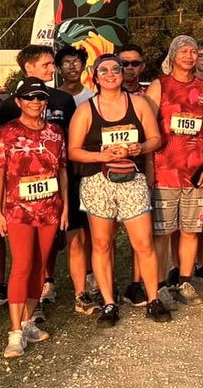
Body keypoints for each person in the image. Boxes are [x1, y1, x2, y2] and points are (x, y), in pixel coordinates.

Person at [67, 53, 166, 325]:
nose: (110, 74)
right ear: (95, 77)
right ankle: (109, 302)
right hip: (98, 181)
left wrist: (141, 148)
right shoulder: (86, 110)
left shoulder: (139, 103)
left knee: (143, 242)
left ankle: (153, 298)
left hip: (131, 178)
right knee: (101, 243)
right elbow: (73, 151)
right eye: (104, 70)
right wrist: (103, 156)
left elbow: (156, 138)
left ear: (123, 74)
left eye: (116, 69)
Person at [0, 80, 69, 359]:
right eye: (29, 97)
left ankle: (27, 321)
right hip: (18, 210)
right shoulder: (7, 132)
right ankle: (14, 331)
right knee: (22, 265)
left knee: (41, 265)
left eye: (41, 97)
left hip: (49, 208)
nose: (36, 102)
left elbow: (61, 171)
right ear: (19, 101)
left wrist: (66, 207)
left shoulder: (56, 132)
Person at [0, 44, 81, 304]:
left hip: (55, 185)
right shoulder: (10, 105)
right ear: (28, 67)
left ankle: (49, 281)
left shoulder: (63, 99)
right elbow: (2, 160)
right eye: (46, 64)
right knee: (24, 258)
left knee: (54, 240)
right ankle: (21, 301)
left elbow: (68, 141)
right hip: (19, 198)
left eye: (51, 64)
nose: (52, 69)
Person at [145, 35, 203, 304]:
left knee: (190, 230)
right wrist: (149, 167)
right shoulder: (159, 86)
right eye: (184, 51)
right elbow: (148, 127)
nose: (189, 56)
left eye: (193, 51)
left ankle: (185, 281)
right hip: (164, 170)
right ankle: (161, 282)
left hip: (194, 172)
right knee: (162, 233)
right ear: (173, 55)